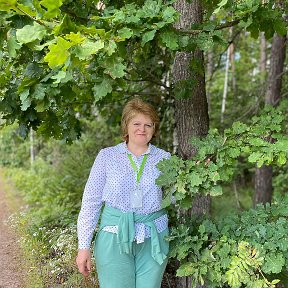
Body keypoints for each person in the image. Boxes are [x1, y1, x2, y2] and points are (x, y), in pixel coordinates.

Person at [76, 98, 170, 288]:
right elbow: (91, 201)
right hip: (114, 236)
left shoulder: (165, 158)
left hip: (154, 237)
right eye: (136, 123)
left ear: (154, 128)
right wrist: (83, 246)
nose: (142, 129)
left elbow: (174, 197)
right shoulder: (107, 156)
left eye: (148, 125)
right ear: (126, 125)